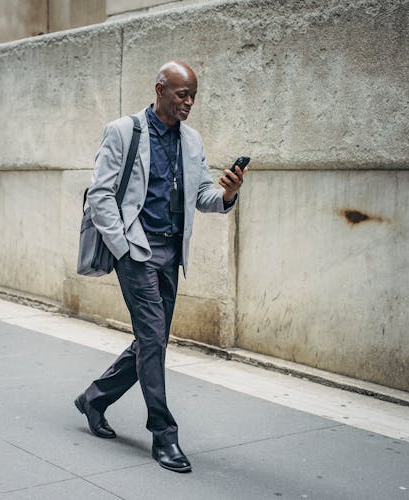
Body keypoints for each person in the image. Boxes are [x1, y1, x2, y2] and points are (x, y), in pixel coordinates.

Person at [74, 61, 247, 473]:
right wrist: (122, 248)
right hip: (136, 251)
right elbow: (100, 195)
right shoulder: (123, 131)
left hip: (171, 254)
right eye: (181, 94)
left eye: (193, 96)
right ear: (160, 90)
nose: (188, 102)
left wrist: (227, 193)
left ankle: (94, 398)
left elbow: (201, 196)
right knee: (153, 338)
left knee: (150, 342)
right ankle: (163, 434)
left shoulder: (191, 140)